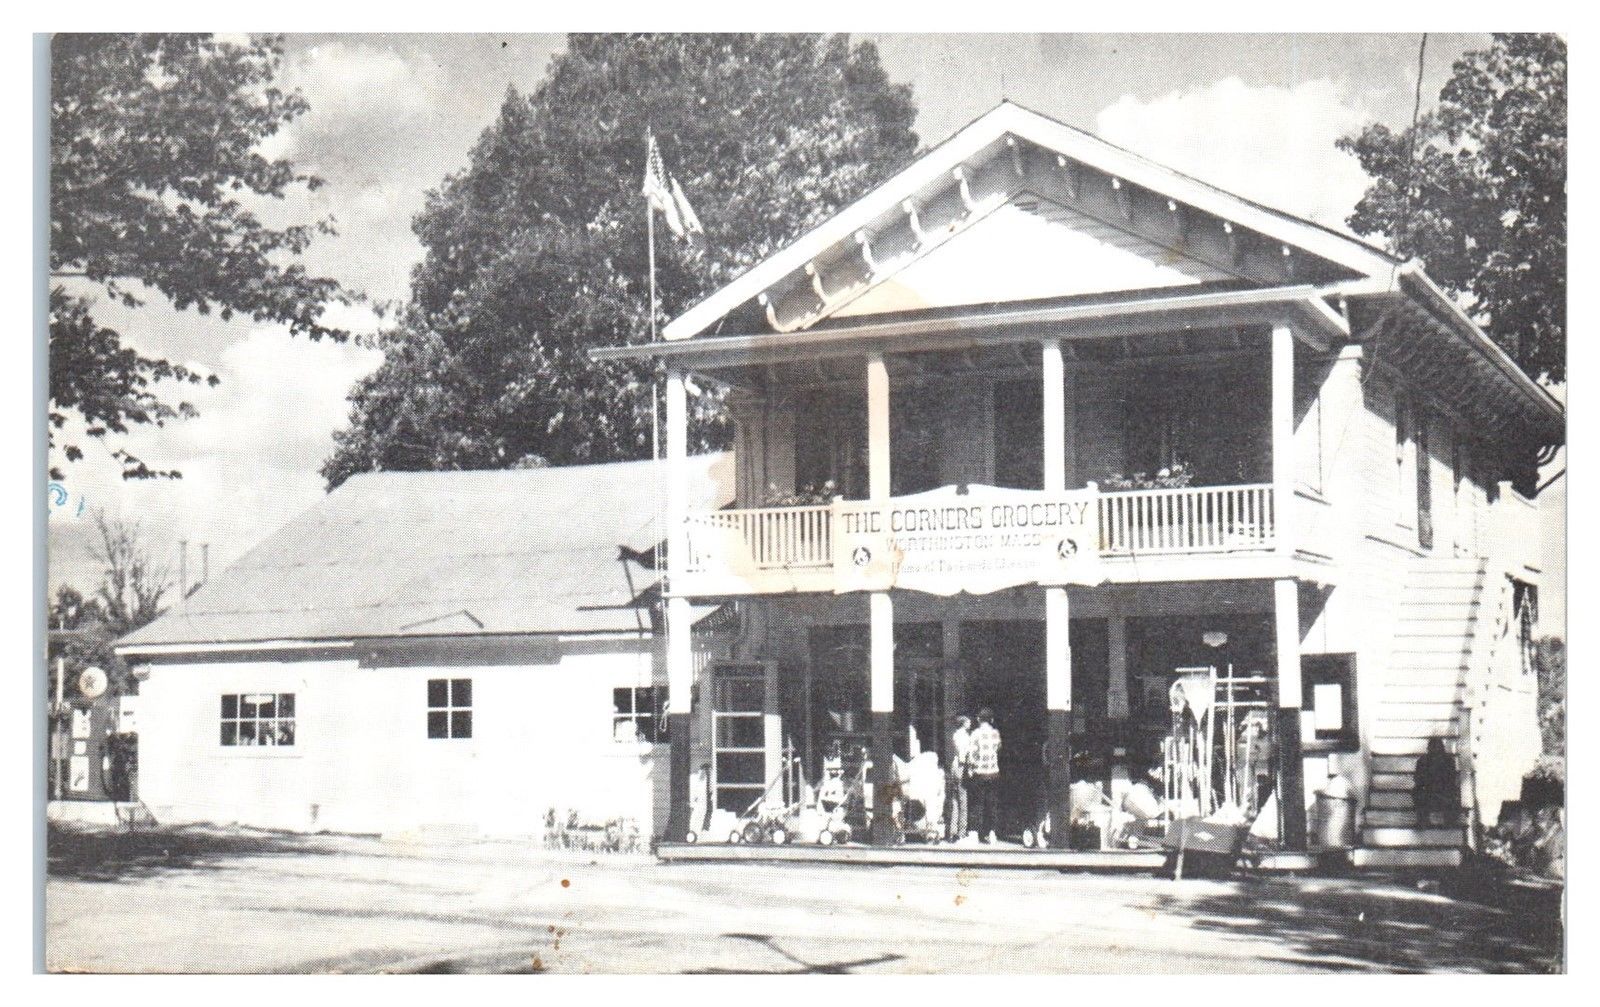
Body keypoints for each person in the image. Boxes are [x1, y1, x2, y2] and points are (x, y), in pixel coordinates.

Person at [969, 708, 1002, 843]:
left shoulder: (975, 734)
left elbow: (972, 754)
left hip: (980, 773)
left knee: (978, 803)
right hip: (993, 772)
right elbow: (998, 748)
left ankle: (976, 833)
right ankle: (992, 832)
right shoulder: (995, 733)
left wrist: (971, 768)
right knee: (992, 803)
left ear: (978, 719)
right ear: (992, 720)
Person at [1414, 737, 1460, 827]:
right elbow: (1417, 779)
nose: (1435, 750)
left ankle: (1449, 821)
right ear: (1428, 748)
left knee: (1454, 794)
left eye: (1437, 747)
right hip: (1428, 793)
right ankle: (1423, 820)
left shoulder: (1449, 761)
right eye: (1433, 747)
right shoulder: (1422, 761)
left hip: (1444, 794)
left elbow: (1451, 780)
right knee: (1417, 792)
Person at [944, 715, 973, 841]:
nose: (970, 723)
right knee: (963, 801)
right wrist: (970, 767)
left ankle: (952, 831)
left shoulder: (955, 735)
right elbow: (965, 754)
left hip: (954, 767)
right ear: (964, 723)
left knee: (955, 800)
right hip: (962, 767)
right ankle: (962, 832)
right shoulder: (965, 737)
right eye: (968, 722)